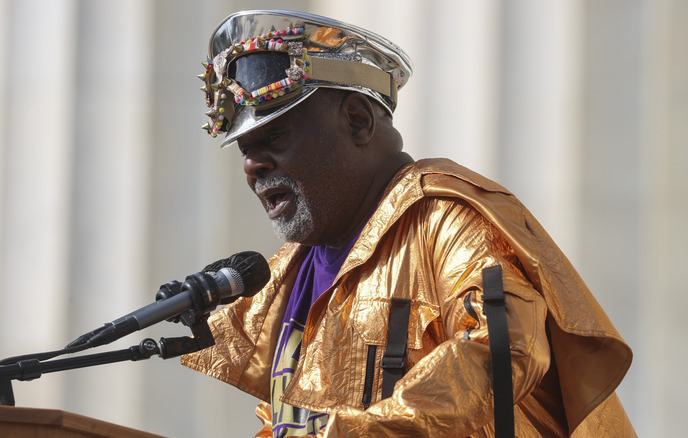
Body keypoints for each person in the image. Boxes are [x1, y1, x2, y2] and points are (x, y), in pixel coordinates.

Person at [182, 9, 635, 438]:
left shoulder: (444, 218)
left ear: (358, 122)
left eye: (275, 135)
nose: (253, 166)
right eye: (245, 150)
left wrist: (353, 432)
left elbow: (502, 349)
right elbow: (291, 424)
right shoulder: (288, 278)